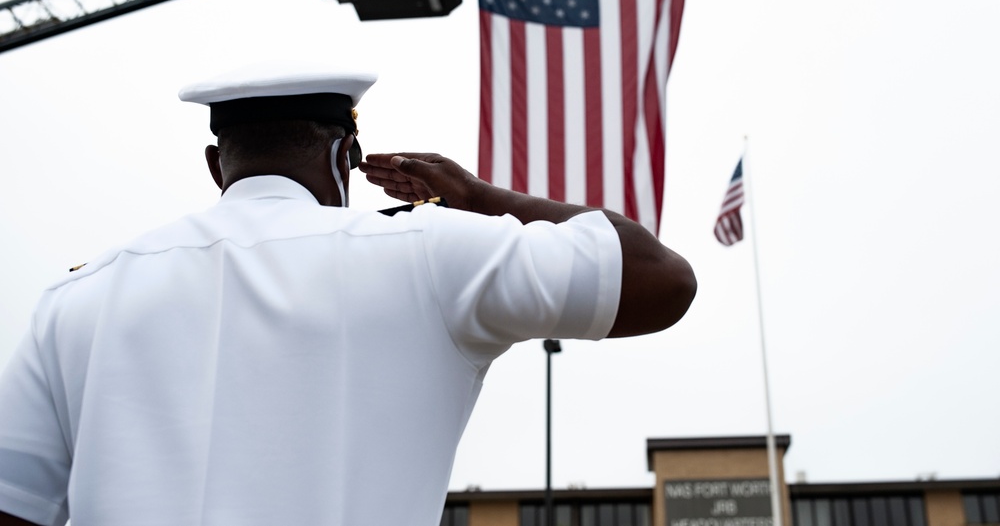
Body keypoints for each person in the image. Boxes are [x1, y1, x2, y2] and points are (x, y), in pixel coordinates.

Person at [0, 63, 696, 526]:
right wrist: (486, 199)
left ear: (217, 164)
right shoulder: (430, 254)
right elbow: (661, 278)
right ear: (344, 158)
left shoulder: (77, 299)